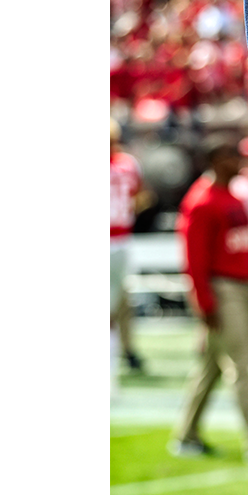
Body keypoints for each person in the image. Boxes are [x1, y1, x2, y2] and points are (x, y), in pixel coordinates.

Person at [169, 135, 248, 462]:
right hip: (223, 290)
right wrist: (204, 303)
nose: (237, 161)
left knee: (209, 369)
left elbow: (243, 245)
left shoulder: (229, 195)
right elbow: (193, 260)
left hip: (242, 288)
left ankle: (186, 435)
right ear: (215, 160)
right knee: (241, 364)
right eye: (229, 155)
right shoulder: (201, 201)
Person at [110, 118, 150, 379]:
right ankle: (126, 350)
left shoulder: (127, 164)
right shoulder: (128, 164)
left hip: (118, 238)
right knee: (119, 301)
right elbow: (142, 197)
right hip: (122, 239)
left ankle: (123, 350)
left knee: (118, 302)